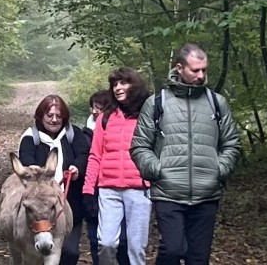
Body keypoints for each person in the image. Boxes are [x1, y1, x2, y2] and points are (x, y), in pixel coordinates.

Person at [130, 43, 242, 265]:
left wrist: (218, 169)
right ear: (179, 68)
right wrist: (158, 170)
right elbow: (139, 146)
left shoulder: (216, 103)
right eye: (195, 70)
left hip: (207, 193)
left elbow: (232, 143)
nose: (201, 76)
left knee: (198, 259)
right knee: (172, 250)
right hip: (168, 192)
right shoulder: (157, 103)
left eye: (204, 70)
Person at [83, 69, 151, 265]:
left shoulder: (147, 115)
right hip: (108, 189)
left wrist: (153, 179)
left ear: (134, 85)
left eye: (123, 83)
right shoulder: (106, 117)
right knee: (106, 243)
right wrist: (88, 189)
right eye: (115, 85)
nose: (118, 88)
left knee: (136, 247)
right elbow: (95, 155)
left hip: (139, 189)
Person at [17, 94, 91, 265]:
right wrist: (33, 168)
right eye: (49, 115)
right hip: (39, 208)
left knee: (70, 252)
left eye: (59, 116)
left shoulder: (74, 134)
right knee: (38, 254)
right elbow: (25, 156)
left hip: (70, 202)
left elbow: (84, 154)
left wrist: (77, 168)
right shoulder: (30, 137)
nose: (54, 120)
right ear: (41, 116)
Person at [83, 90, 130, 265]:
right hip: (92, 192)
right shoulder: (83, 133)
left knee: (124, 241)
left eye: (100, 107)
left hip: (115, 188)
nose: (95, 111)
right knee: (97, 241)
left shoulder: (122, 127)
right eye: (94, 107)